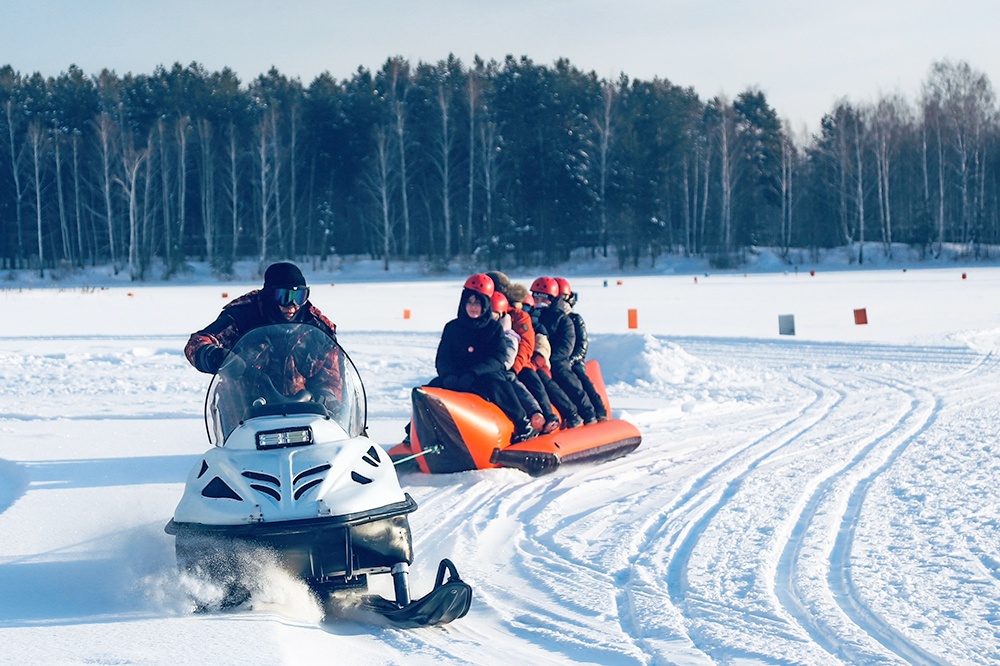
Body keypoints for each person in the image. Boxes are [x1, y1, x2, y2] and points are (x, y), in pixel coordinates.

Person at [429, 274, 537, 443]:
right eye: (469, 302)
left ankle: (523, 425)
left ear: (485, 305)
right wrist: (448, 375)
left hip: (484, 375)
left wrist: (474, 373)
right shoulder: (452, 327)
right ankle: (415, 431)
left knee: (499, 386)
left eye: (478, 303)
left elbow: (498, 357)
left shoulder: (493, 328)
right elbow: (443, 357)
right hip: (456, 377)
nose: (473, 307)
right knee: (431, 389)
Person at [185, 261, 337, 375]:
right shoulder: (242, 315)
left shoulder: (317, 325)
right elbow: (197, 343)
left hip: (303, 408)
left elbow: (333, 373)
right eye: (284, 297)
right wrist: (217, 357)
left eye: (299, 296)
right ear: (269, 294)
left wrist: (328, 395)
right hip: (245, 406)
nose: (292, 305)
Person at [531, 276, 598, 425]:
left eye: (544, 298)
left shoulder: (563, 319)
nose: (539, 302)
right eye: (536, 297)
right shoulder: (532, 316)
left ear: (553, 299)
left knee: (564, 375)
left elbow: (566, 344)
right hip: (539, 358)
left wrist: (552, 359)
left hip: (557, 358)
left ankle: (588, 412)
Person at [556, 277, 609, 422]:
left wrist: (572, 359)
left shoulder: (574, 319)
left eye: (563, 297)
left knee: (580, 377)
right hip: (560, 358)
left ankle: (598, 409)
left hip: (574, 359)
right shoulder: (550, 318)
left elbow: (582, 344)